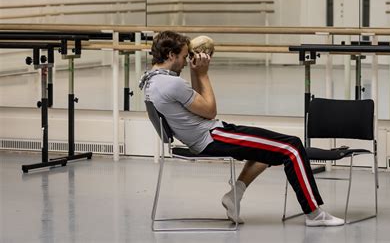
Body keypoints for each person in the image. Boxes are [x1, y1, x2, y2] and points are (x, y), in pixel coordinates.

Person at [139, 30, 344, 227]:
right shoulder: (172, 84)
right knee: (291, 147)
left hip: (208, 134)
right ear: (170, 54)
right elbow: (210, 111)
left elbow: (197, 104)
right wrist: (203, 74)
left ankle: (234, 196)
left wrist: (195, 71)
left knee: (266, 150)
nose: (185, 62)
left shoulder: (152, 81)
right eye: (184, 57)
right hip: (211, 136)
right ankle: (314, 214)